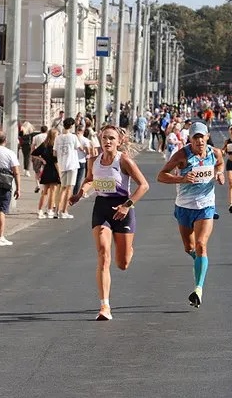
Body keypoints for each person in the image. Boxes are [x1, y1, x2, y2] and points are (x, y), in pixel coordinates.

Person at [70, 125, 150, 321]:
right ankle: (104, 306)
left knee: (122, 264)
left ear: (119, 141)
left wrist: (127, 205)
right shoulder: (93, 160)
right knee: (103, 254)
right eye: (104, 137)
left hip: (122, 209)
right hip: (102, 208)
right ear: (100, 138)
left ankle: (128, 250)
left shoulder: (124, 161)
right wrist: (80, 193)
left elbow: (144, 185)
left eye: (111, 138)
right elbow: (90, 179)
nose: (107, 142)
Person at [157, 122, 225, 308]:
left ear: (207, 136)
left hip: (205, 206)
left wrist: (220, 174)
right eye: (196, 137)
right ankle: (201, 263)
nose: (200, 140)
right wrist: (182, 179)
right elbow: (161, 176)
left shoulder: (215, 153)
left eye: (202, 136)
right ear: (190, 139)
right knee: (190, 248)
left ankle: (198, 289)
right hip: (184, 207)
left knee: (202, 244)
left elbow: (220, 164)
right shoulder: (181, 156)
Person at [54, 118, 81, 219]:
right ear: (71, 126)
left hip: (62, 164)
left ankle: (57, 211)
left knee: (62, 188)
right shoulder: (73, 137)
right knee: (69, 188)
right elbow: (78, 147)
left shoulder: (58, 137)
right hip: (72, 164)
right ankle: (64, 211)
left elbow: (54, 152)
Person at [34, 129, 61, 219]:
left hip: (46, 169)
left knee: (44, 192)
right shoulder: (55, 146)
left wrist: (42, 160)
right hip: (54, 169)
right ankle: (50, 210)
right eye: (57, 134)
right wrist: (60, 174)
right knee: (53, 191)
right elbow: (55, 162)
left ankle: (40, 210)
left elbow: (33, 153)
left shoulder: (44, 145)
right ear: (54, 136)